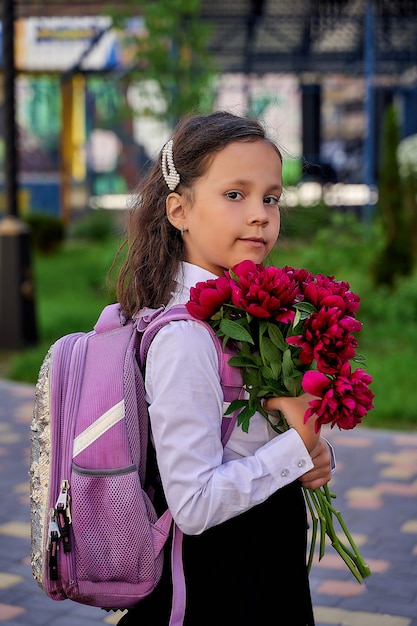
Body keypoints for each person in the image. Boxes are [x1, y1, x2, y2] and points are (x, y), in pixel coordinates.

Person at [115, 110, 334, 626]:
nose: (260, 214)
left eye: (271, 197)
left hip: (260, 562)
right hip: (221, 585)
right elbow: (192, 503)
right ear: (179, 210)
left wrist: (308, 456)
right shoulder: (186, 336)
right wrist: (293, 449)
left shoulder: (242, 312)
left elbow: (250, 441)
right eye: (235, 195)